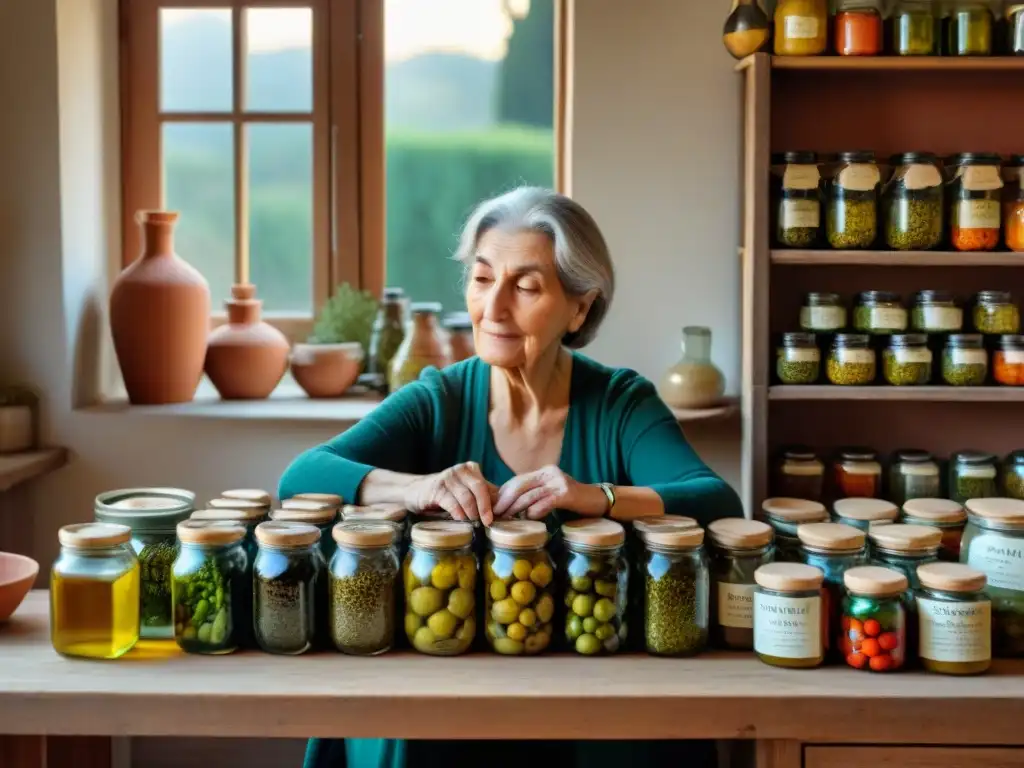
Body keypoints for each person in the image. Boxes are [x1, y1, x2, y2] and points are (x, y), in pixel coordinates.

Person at [279, 186, 744, 768]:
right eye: (481, 279)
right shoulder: (439, 398)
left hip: (592, 682)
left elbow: (716, 500)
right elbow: (300, 478)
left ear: (580, 307)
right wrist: (416, 487)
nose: (493, 308)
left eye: (525, 286)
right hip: (447, 680)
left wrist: (592, 497)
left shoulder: (621, 402)